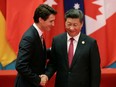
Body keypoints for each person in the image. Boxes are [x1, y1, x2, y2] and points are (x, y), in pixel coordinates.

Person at [43, 9, 101, 87]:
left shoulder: (90, 43)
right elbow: (53, 63)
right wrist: (46, 75)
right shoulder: (57, 40)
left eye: (75, 25)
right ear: (65, 23)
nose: (71, 28)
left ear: (81, 24)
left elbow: (95, 71)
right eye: (69, 24)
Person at [15, 4, 57, 87]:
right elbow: (20, 65)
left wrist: (53, 49)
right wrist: (38, 79)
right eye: (51, 21)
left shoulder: (37, 34)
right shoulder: (29, 37)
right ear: (41, 19)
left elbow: (37, 53)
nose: (53, 24)